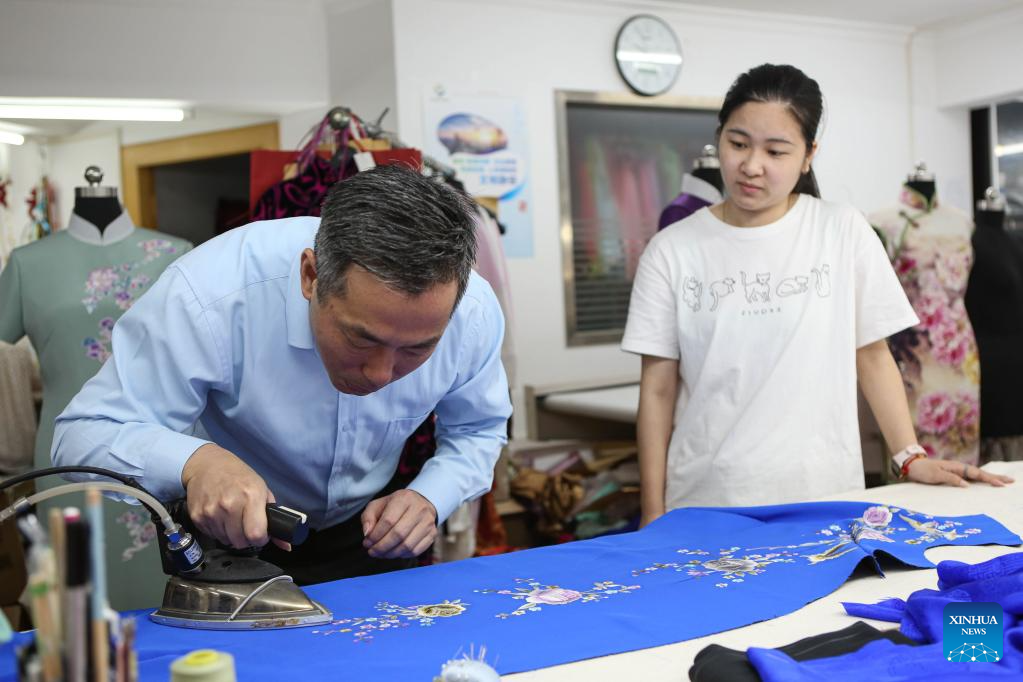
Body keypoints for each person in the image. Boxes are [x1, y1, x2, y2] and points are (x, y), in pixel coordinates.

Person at [53, 164, 512, 583]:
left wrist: (431, 496)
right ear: (310, 276)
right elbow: (83, 433)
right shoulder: (210, 294)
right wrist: (196, 462)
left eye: (416, 348)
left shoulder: (471, 313)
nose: (379, 375)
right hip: (231, 533)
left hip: (374, 531)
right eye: (360, 339)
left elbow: (478, 429)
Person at [622, 64, 1013, 527]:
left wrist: (909, 456)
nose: (751, 165)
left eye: (775, 151)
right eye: (738, 143)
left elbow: (872, 355)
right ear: (719, 137)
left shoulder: (841, 229)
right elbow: (658, 388)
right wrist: (653, 511)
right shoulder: (672, 250)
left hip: (825, 494)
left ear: (808, 155)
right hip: (706, 499)